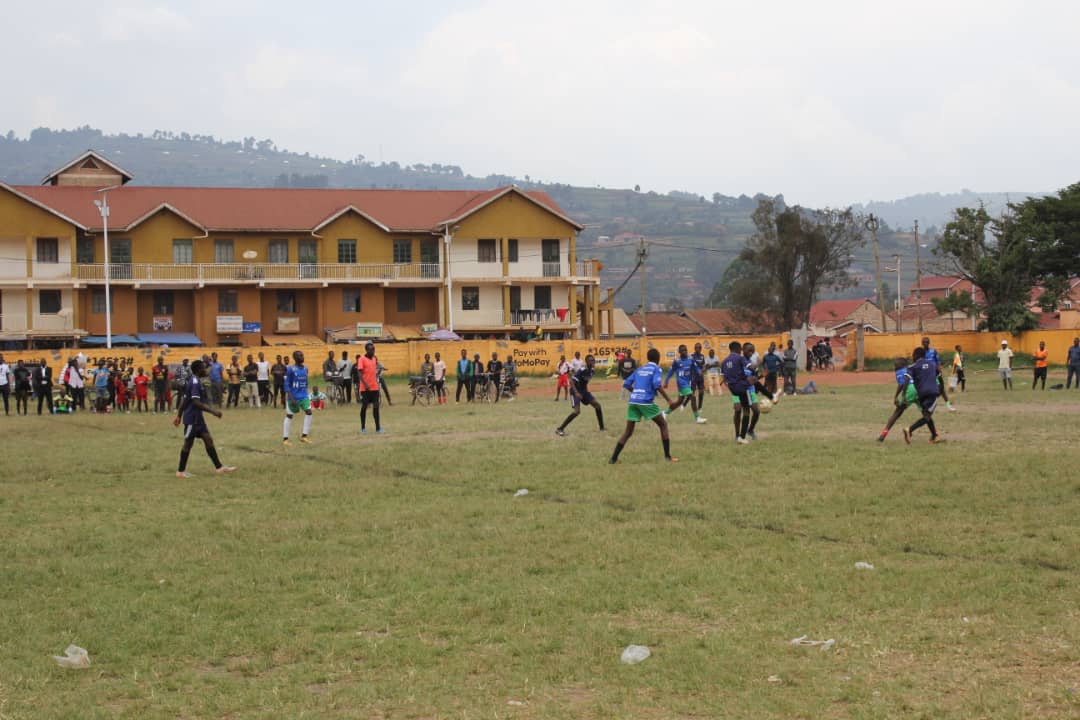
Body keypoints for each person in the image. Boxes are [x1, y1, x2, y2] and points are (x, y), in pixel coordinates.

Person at [609, 347, 677, 464]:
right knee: (663, 425)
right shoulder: (656, 369)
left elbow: (626, 383)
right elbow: (657, 384)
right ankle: (667, 457)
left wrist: (635, 392)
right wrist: (669, 400)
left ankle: (613, 459)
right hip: (645, 402)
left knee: (628, 432)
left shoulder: (640, 369)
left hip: (633, 401)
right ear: (658, 358)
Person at [173, 359, 236, 478]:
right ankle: (180, 471)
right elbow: (195, 402)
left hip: (198, 419)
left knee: (208, 439)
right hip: (192, 419)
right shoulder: (195, 382)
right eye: (204, 367)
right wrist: (213, 411)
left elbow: (184, 400)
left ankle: (219, 468)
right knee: (188, 444)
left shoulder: (195, 381)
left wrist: (178, 416)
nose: (206, 370)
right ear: (198, 370)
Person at [903, 346, 944, 444]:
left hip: (921, 394)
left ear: (916, 355)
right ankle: (910, 430)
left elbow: (906, 380)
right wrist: (940, 390)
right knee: (927, 416)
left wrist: (904, 394)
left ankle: (934, 436)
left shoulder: (912, 367)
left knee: (927, 415)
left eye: (913, 355)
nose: (912, 357)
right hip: (932, 393)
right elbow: (940, 378)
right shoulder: (933, 365)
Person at [556, 353, 604, 435]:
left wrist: (585, 394)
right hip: (575, 391)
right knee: (577, 411)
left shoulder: (592, 371)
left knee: (597, 405)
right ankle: (560, 429)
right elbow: (571, 381)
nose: (593, 361)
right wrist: (576, 393)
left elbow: (584, 382)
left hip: (584, 391)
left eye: (593, 360)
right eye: (591, 360)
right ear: (587, 362)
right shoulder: (582, 370)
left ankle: (602, 428)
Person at [721, 340, 757, 445]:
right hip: (742, 387)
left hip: (733, 389)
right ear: (738, 349)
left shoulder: (724, 362)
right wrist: (756, 370)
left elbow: (724, 378)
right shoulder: (740, 358)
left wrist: (730, 386)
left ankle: (740, 435)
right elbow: (750, 367)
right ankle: (740, 436)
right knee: (743, 410)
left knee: (740, 410)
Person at [878, 357, 918, 442]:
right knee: (926, 413)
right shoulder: (910, 369)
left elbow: (901, 384)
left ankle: (883, 434)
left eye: (896, 366)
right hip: (919, 389)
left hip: (909, 390)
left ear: (901, 366)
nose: (894, 368)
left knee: (897, 413)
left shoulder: (899, 372)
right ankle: (935, 434)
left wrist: (896, 396)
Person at [664, 344, 706, 424]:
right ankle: (697, 418)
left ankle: (665, 413)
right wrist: (666, 381)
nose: (685, 352)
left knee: (679, 402)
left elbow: (695, 367)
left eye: (685, 350)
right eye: (683, 350)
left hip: (687, 382)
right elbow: (670, 371)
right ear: (679, 352)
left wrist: (699, 372)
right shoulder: (677, 361)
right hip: (681, 382)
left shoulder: (691, 359)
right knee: (692, 397)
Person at [283, 350, 313, 445]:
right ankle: (285, 439)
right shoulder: (291, 369)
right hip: (293, 397)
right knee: (289, 416)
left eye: (302, 355)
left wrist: (306, 392)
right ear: (295, 358)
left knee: (309, 412)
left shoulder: (305, 369)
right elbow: (287, 384)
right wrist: (291, 397)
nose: (302, 356)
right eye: (300, 355)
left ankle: (304, 436)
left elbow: (306, 381)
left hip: (304, 396)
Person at [921, 337, 955, 411]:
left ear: (929, 343)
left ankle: (949, 405)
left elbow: (938, 362)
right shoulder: (921, 353)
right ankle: (926, 405)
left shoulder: (933, 351)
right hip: (926, 375)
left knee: (942, 390)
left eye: (927, 342)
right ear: (922, 343)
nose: (926, 343)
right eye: (924, 342)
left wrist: (939, 370)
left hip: (935, 373)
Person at [358, 341, 383, 433]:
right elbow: (359, 374)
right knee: (364, 406)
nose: (373, 351)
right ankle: (363, 428)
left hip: (374, 388)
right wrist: (365, 385)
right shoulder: (361, 359)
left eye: (373, 349)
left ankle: (378, 428)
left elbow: (374, 370)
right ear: (366, 350)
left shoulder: (374, 359)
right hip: (365, 389)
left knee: (376, 407)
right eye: (371, 350)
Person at [690, 342, 707, 410]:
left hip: (700, 377)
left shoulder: (702, 356)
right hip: (693, 377)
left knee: (701, 392)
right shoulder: (691, 356)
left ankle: (700, 407)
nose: (698, 349)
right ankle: (693, 407)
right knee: (692, 394)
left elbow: (703, 365)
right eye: (697, 348)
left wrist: (703, 369)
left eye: (699, 348)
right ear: (694, 348)